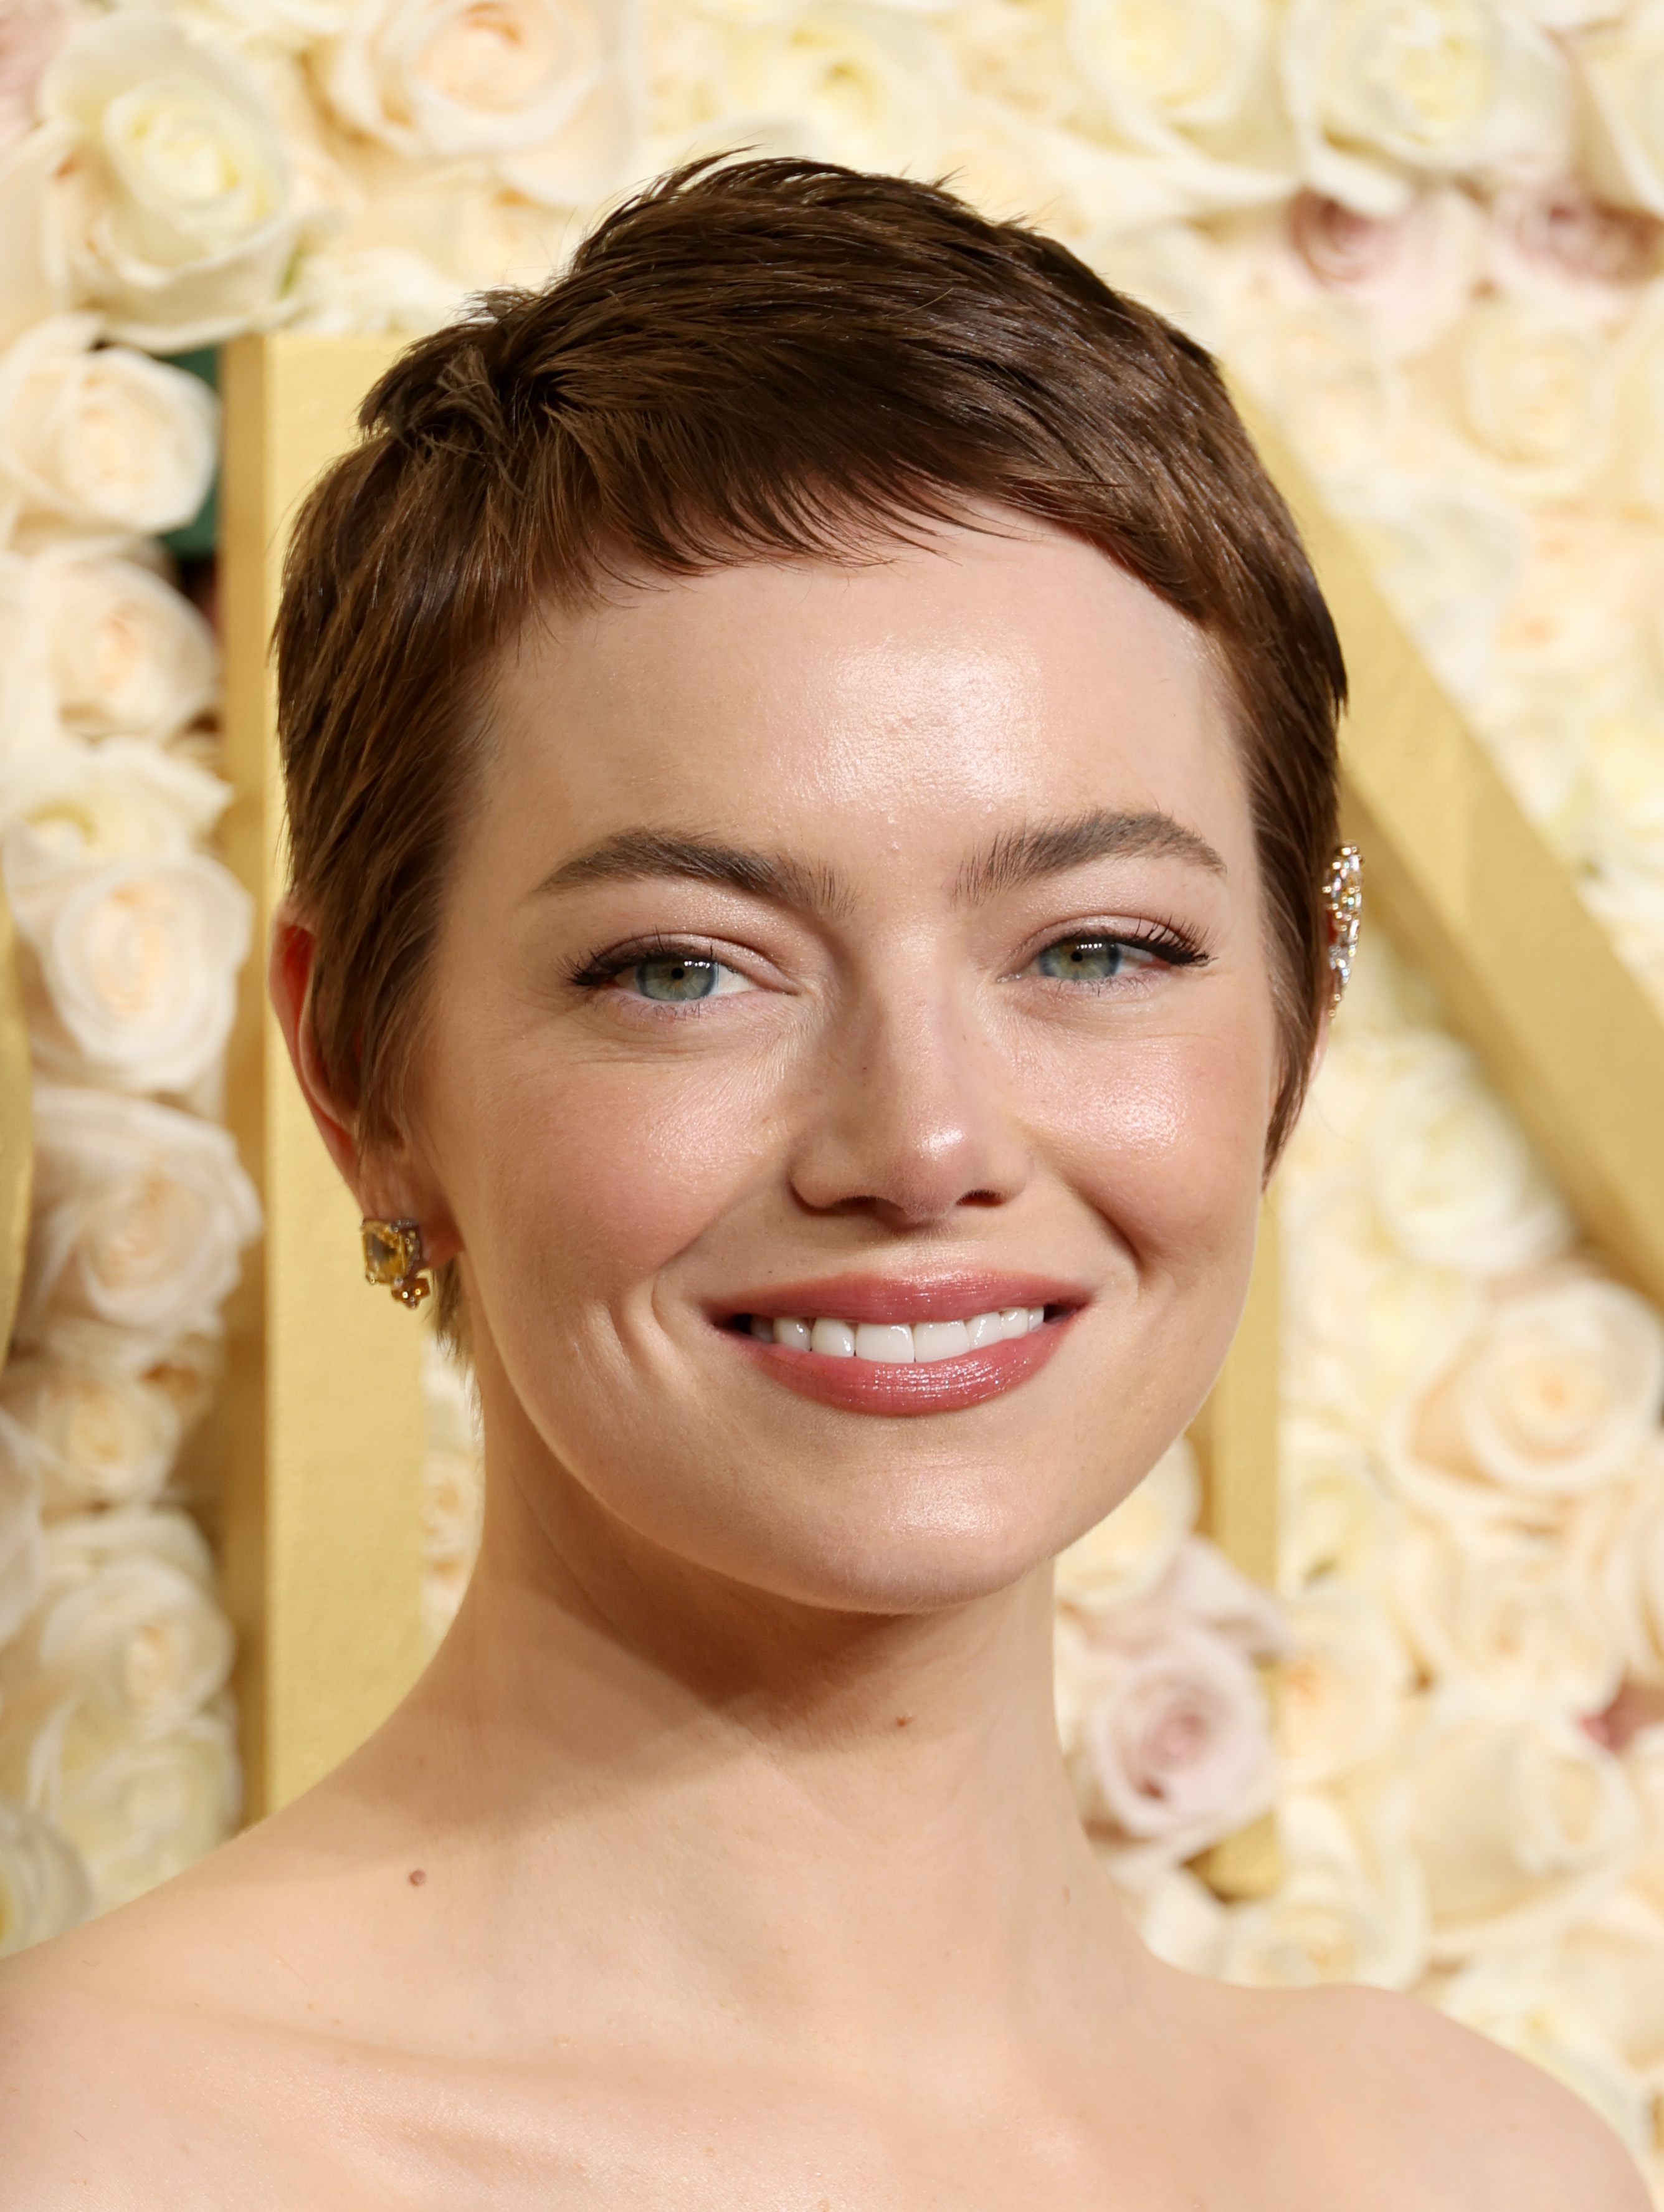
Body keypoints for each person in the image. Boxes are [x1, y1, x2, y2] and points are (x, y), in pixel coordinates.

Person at [0, 159, 1648, 2210]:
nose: (926, 1143)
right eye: (685, 967)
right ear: (360, 1068)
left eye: (1098, 948)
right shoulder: (89, 2151)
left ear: (1298, 1020)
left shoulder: (1480, 2172)